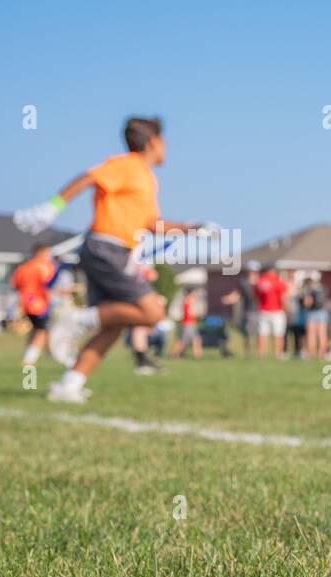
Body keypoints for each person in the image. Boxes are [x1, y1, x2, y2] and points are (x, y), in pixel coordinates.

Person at [13, 116, 211, 403]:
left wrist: (192, 227)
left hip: (115, 251)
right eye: (164, 140)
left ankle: (69, 384)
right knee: (153, 312)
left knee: (113, 326)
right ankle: (77, 318)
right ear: (154, 141)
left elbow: (151, 222)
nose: (166, 147)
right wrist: (51, 207)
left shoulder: (145, 177)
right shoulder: (128, 164)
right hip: (107, 248)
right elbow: (88, 178)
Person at [9, 242, 63, 367]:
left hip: (24, 304)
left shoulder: (22, 268)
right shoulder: (45, 267)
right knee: (41, 331)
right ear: (40, 253)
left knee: (36, 331)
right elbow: (49, 286)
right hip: (39, 304)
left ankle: (44, 355)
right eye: (48, 253)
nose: (49, 256)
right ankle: (29, 360)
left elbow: (15, 285)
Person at [221, 259, 261, 356]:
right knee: (246, 333)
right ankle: (248, 352)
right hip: (248, 311)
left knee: (260, 333)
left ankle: (260, 352)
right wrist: (229, 299)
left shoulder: (261, 281)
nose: (252, 273)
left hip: (261, 311)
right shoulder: (243, 282)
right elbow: (238, 294)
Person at [254, 265, 289, 359]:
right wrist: (286, 311)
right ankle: (278, 354)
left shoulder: (259, 281)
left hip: (262, 311)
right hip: (277, 311)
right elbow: (283, 298)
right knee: (278, 334)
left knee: (262, 334)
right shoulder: (277, 281)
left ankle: (261, 355)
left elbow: (256, 296)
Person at [170, 288, 203, 359]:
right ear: (190, 293)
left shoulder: (188, 301)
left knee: (196, 339)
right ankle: (173, 355)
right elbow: (190, 313)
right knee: (182, 342)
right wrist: (198, 313)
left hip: (191, 323)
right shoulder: (188, 301)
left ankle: (197, 355)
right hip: (188, 324)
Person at [302, 276, 329, 358]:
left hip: (312, 313)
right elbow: (325, 303)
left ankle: (311, 353)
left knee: (311, 335)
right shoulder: (322, 289)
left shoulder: (309, 290)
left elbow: (307, 302)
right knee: (322, 334)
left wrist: (305, 305)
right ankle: (322, 354)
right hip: (322, 312)